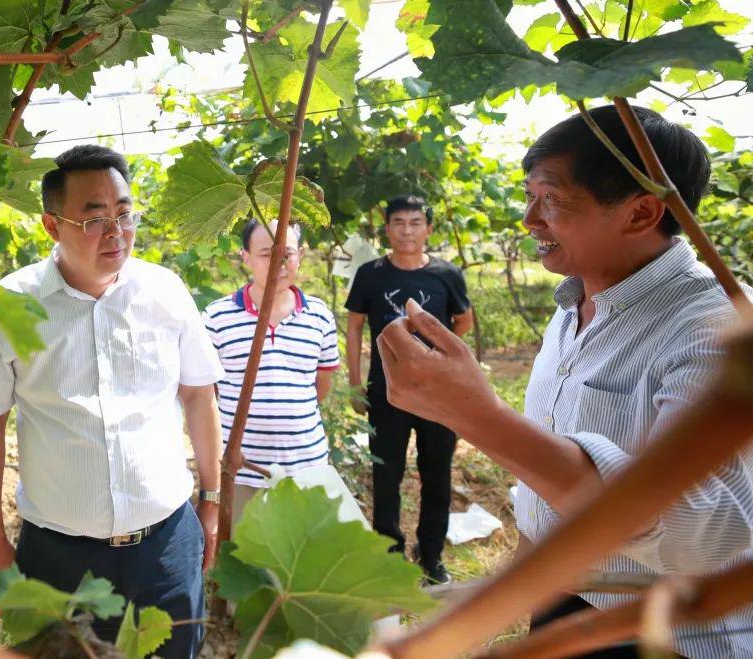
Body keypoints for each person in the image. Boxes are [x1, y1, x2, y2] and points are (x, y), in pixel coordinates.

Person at [375, 106, 753, 657]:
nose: (529, 218)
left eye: (549, 199)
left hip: (670, 632)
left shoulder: (710, 328)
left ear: (642, 211)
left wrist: (476, 415)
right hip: (568, 596)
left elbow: (704, 541)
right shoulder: (575, 304)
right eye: (529, 195)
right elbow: (544, 490)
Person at [0, 145, 224, 659]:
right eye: (94, 219)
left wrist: (211, 501)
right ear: (52, 226)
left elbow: (197, 394)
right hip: (60, 559)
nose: (116, 232)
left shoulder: (165, 293)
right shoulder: (12, 306)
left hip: (166, 546)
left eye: (124, 214)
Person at [345, 195, 474, 584]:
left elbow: (463, 322)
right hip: (386, 393)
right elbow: (353, 327)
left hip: (439, 395)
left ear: (428, 229)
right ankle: (388, 555)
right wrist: (355, 384)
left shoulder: (446, 275)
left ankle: (431, 556)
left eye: (415, 223)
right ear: (387, 228)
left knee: (436, 474)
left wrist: (436, 352)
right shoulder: (371, 275)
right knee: (387, 476)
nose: (406, 230)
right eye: (398, 222)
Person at [202, 219, 340, 522]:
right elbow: (208, 396)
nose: (279, 262)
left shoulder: (319, 316)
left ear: (301, 255)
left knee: (302, 559)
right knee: (245, 560)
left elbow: (322, 386)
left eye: (288, 253)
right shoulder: (217, 318)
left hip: (306, 466)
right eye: (266, 254)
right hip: (241, 472)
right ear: (246, 257)